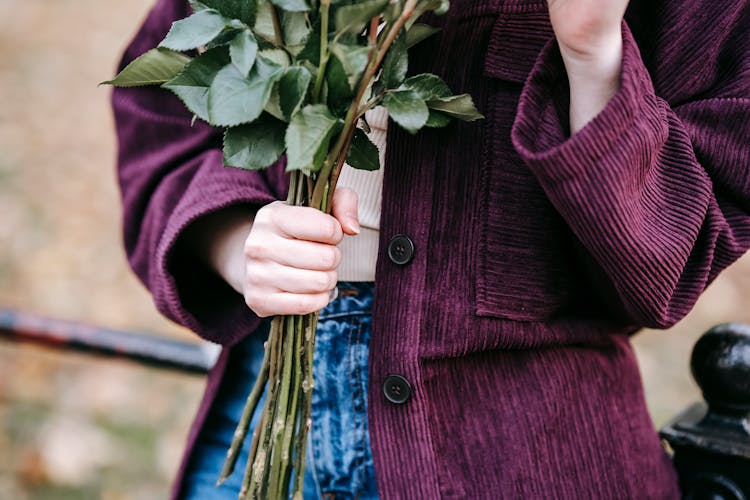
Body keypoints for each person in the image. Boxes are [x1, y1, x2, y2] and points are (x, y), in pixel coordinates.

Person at [112, 0, 750, 498]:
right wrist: (236, 241)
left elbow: (670, 259)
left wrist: (593, 54)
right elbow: (163, 107)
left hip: (525, 452)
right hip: (263, 421)